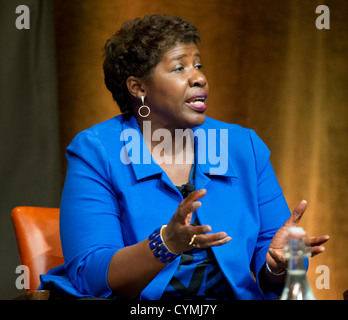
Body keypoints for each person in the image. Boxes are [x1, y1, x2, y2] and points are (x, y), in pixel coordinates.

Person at [39, 14, 329, 300]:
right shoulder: (98, 151)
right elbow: (90, 274)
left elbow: (274, 261)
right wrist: (164, 245)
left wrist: (277, 266)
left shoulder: (242, 146)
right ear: (138, 88)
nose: (199, 78)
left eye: (198, 65)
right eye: (179, 68)